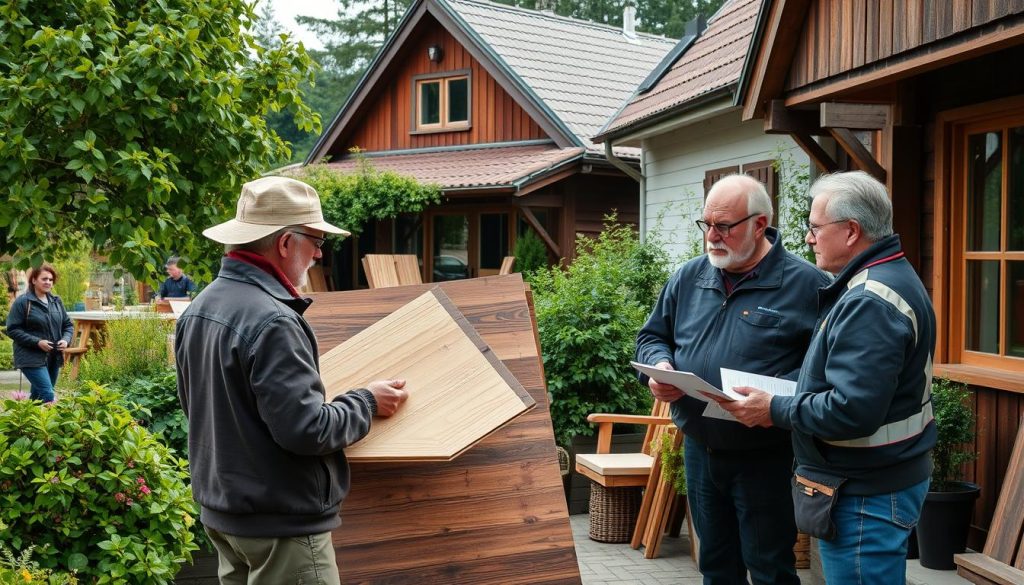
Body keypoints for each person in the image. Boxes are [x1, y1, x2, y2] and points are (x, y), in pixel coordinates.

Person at [175, 176, 410, 585]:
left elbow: (199, 406)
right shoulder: (274, 320)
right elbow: (307, 430)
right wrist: (367, 401)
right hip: (280, 530)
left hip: (226, 518)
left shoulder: (200, 307)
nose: (320, 253)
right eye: (316, 240)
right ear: (285, 243)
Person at [719, 171, 937, 584]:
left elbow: (851, 410)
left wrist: (775, 407)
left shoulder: (870, 301)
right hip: (879, 483)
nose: (808, 239)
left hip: (866, 495)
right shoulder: (884, 278)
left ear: (852, 231)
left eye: (815, 228)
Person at [636, 174, 830, 585]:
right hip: (701, 451)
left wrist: (773, 399)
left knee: (769, 569)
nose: (712, 236)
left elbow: (824, 367)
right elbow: (653, 337)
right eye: (706, 224)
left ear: (759, 225)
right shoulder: (689, 277)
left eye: (724, 226)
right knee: (715, 566)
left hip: (765, 456)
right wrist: (661, 368)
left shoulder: (808, 285)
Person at [5, 263, 74, 402]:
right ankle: (52, 423)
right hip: (30, 357)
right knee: (48, 395)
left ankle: (27, 422)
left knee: (37, 398)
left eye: (50, 279)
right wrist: (37, 342)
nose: (48, 282)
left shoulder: (56, 301)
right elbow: (12, 329)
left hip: (53, 357)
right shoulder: (23, 302)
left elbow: (68, 325)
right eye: (44, 279)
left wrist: (65, 339)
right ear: (34, 280)